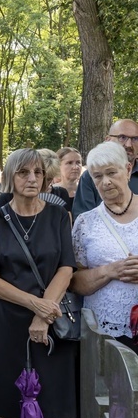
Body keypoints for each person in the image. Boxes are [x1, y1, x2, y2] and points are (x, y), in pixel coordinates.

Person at [0, 148, 76, 418]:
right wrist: (36, 305)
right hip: (5, 318)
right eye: (23, 173)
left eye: (37, 173)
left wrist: (44, 314)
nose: (32, 179)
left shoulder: (59, 216)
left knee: (46, 399)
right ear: (11, 178)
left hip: (52, 317)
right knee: (9, 399)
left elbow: (66, 267)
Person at [71, 142, 138, 354]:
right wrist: (110, 271)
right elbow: (74, 281)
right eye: (98, 176)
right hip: (104, 333)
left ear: (127, 170)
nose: (106, 182)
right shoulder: (85, 223)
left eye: (111, 172)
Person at [73, 119, 138, 219]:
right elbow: (83, 219)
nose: (129, 144)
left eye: (135, 139)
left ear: (128, 170)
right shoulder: (90, 176)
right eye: (122, 137)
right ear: (108, 140)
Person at [54, 147, 82, 212]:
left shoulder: (86, 191)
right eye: (69, 163)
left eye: (78, 162)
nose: (75, 167)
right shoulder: (52, 192)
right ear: (58, 165)